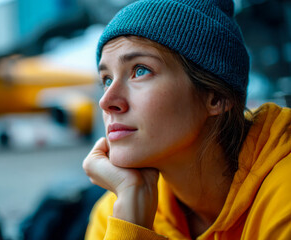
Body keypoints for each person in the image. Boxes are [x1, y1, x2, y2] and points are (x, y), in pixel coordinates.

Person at [82, 0, 291, 239]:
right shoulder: (120, 208)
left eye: (140, 70)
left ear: (216, 96)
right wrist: (131, 224)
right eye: (106, 79)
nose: (106, 101)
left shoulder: (286, 195)